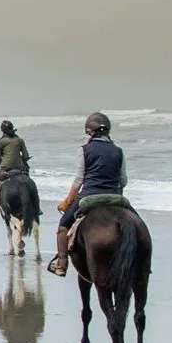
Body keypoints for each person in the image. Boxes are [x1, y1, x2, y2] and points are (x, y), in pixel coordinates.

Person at [47, 112, 126, 275]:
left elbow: (79, 180)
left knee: (63, 227)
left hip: (89, 196)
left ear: (90, 132)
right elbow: (123, 180)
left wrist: (67, 201)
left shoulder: (84, 150)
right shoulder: (119, 151)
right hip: (115, 196)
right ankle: (141, 266)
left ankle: (61, 263)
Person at [0, 119, 31, 218]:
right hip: (20, 169)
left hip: (6, 169)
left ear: (3, 131)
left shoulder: (1, 141)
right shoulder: (19, 140)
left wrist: (4, 163)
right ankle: (37, 207)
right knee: (29, 184)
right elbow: (26, 156)